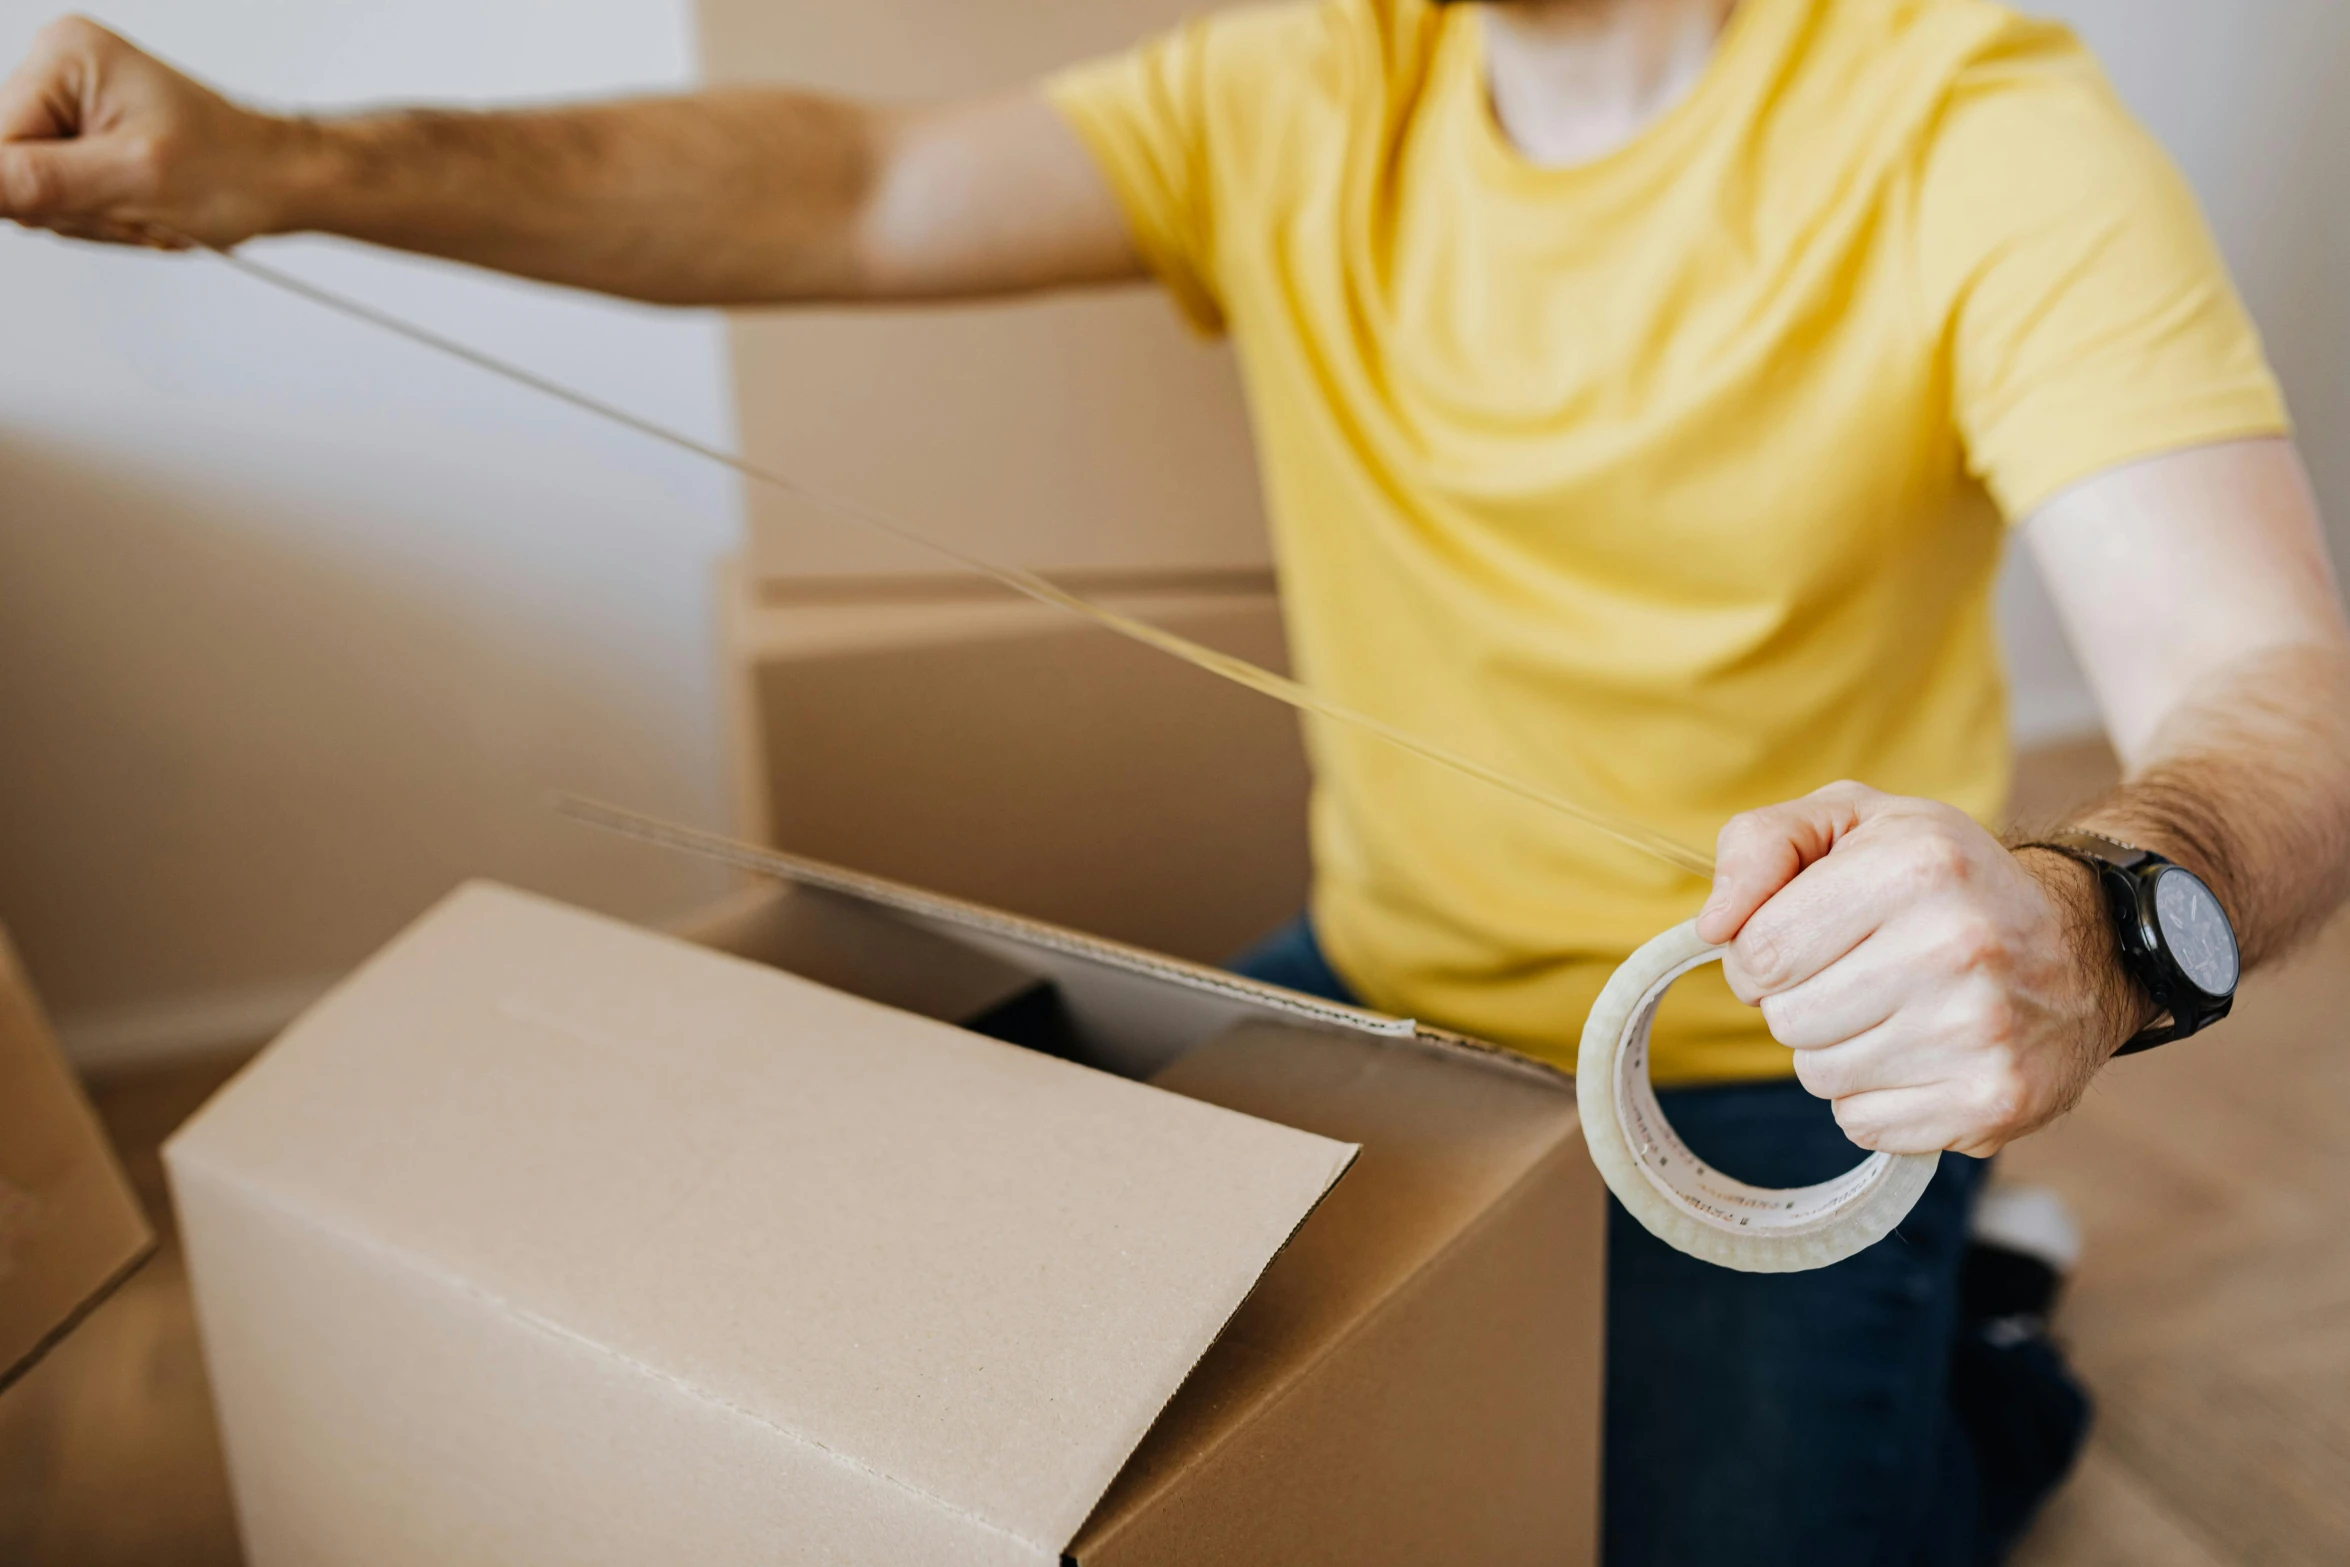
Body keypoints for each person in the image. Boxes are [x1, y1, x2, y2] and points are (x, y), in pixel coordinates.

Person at [4, 2, 2346, 1561]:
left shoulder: (1972, 126)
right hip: (1373, 990)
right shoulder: (1309, 82)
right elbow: (831, 190)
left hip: (1762, 1084)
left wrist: (2088, 924)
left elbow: (2269, 678)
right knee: (1036, 1412)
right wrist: (290, 159)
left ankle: (1976, 1343)